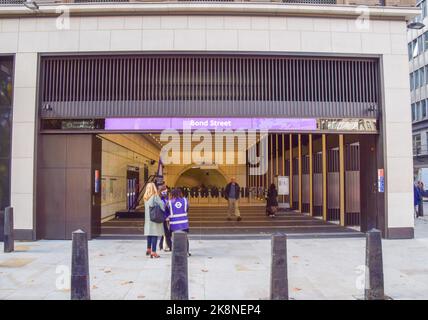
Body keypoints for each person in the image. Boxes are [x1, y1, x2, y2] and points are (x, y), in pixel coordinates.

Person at [143, 182, 165, 259]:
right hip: (155, 218)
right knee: (154, 234)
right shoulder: (155, 196)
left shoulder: (145, 197)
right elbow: (162, 206)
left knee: (149, 234)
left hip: (148, 219)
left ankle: (148, 249)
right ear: (154, 188)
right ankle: (154, 252)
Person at [167, 188, 191, 256]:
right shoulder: (185, 200)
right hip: (184, 224)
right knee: (185, 238)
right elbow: (187, 209)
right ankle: (186, 252)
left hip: (174, 225)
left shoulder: (169, 202)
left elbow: (167, 212)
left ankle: (176, 252)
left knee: (174, 239)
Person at [158, 185, 172, 252]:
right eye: (164, 191)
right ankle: (170, 246)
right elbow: (162, 209)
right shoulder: (160, 199)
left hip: (167, 217)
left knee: (165, 232)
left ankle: (161, 245)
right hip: (163, 218)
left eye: (166, 191)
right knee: (167, 233)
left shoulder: (165, 198)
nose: (165, 192)